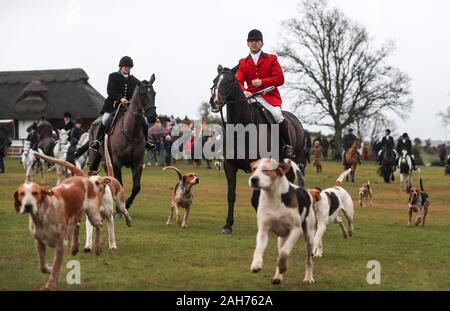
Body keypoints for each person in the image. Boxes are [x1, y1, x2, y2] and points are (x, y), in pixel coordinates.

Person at [235, 29, 294, 159]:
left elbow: (280, 79)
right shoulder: (243, 62)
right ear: (247, 44)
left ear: (261, 43)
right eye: (251, 41)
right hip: (251, 97)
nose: (254, 43)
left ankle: (287, 146)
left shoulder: (271, 59)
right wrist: (244, 90)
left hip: (269, 97)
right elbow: (238, 80)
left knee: (277, 115)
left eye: (256, 41)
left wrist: (263, 82)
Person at [90, 56, 154, 151]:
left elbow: (142, 86)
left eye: (129, 67)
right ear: (121, 66)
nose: (127, 68)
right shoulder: (113, 76)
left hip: (128, 107)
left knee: (143, 119)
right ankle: (97, 141)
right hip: (113, 105)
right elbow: (110, 90)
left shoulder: (134, 79)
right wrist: (120, 98)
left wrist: (149, 83)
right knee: (105, 119)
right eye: (125, 66)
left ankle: (146, 141)